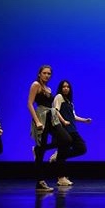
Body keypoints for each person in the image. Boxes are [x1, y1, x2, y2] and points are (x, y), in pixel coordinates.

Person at [27, 64, 72, 192]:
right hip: (41, 118)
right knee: (41, 152)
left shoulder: (49, 89)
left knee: (67, 139)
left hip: (52, 118)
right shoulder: (36, 85)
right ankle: (40, 182)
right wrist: (37, 121)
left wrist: (63, 121)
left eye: (49, 73)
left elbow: (53, 108)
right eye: (45, 73)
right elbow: (29, 103)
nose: (47, 75)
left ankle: (37, 150)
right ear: (39, 74)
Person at [52, 79, 92, 187]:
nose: (66, 88)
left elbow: (74, 116)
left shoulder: (69, 102)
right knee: (63, 152)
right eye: (64, 87)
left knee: (81, 148)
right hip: (63, 130)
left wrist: (84, 120)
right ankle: (61, 178)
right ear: (60, 88)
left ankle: (58, 156)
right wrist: (63, 121)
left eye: (68, 87)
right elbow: (55, 111)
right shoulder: (59, 97)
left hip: (72, 129)